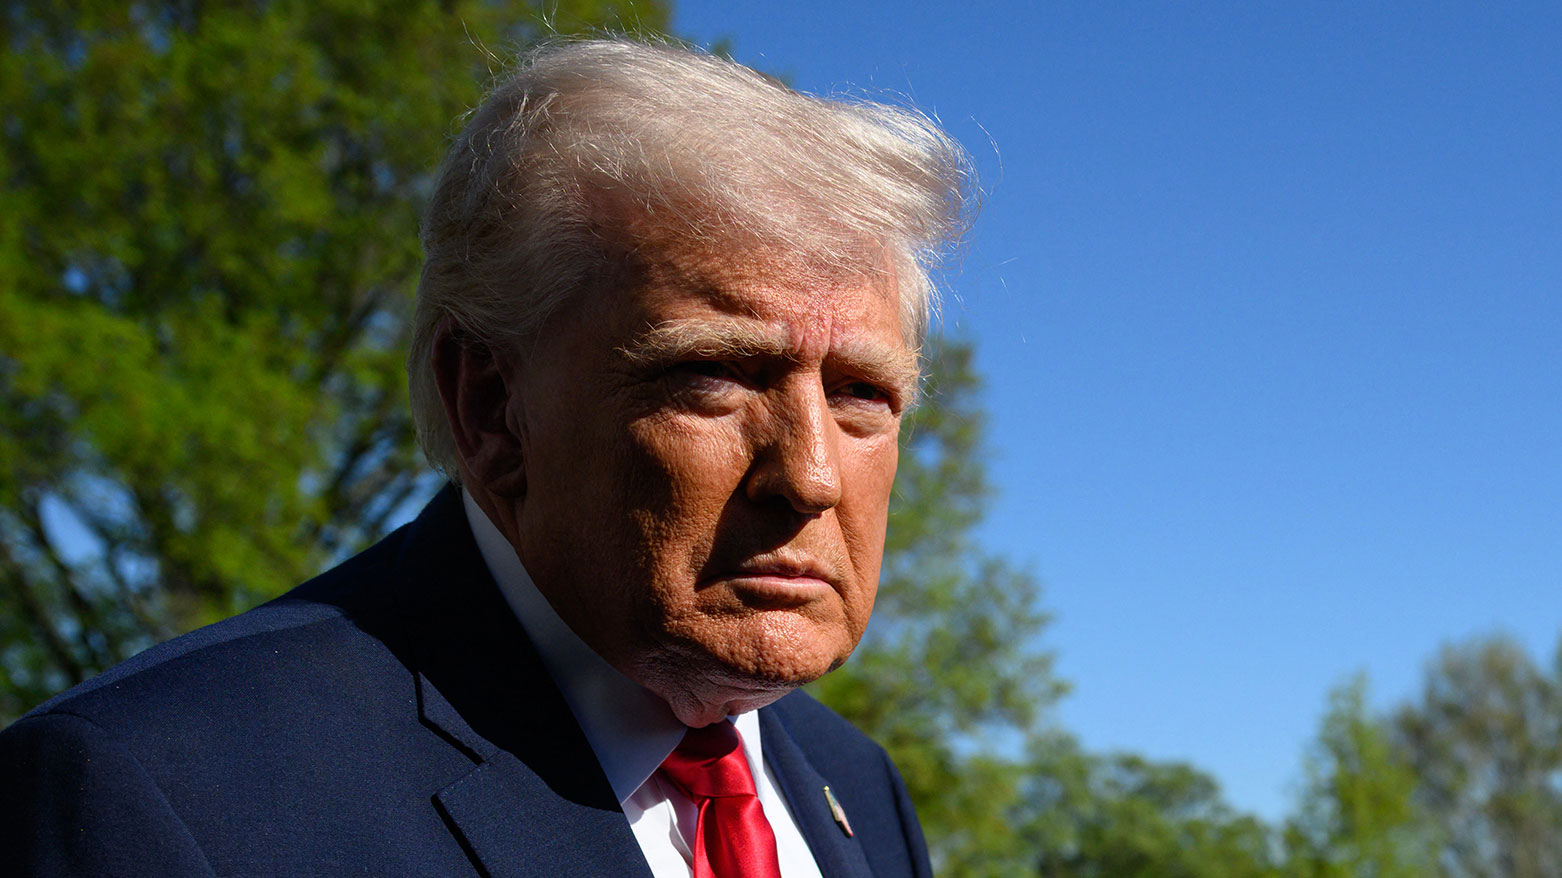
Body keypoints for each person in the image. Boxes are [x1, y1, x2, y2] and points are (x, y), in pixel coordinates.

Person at [0, 37, 973, 877]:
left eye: (859, 394)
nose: (806, 474)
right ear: (491, 404)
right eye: (712, 375)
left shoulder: (854, 788)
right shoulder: (160, 795)